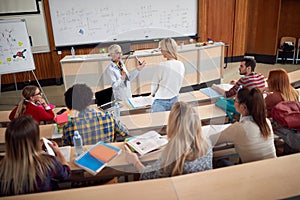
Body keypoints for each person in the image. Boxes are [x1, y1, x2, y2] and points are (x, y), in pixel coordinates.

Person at [125, 101, 212, 180]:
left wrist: (135, 162)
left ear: (172, 124)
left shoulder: (172, 154)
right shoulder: (207, 144)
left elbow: (148, 176)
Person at [0, 115, 70, 196]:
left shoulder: (2, 169)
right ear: (35, 141)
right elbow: (66, 174)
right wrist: (58, 152)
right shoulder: (48, 163)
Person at [210, 88, 276, 163]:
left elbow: (213, 140)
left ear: (243, 107)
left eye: (235, 100)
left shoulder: (239, 128)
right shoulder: (266, 122)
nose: (234, 102)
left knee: (221, 162)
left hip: (252, 172)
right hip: (273, 166)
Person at [62, 84, 129, 145]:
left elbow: (66, 146)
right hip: (108, 156)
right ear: (90, 98)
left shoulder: (68, 126)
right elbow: (125, 132)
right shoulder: (109, 117)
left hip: (83, 157)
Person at [150, 38, 185, 112]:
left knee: (157, 122)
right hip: (175, 99)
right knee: (172, 122)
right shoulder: (181, 64)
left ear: (166, 50)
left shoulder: (161, 65)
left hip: (160, 101)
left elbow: (154, 84)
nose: (161, 51)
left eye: (161, 49)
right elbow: (179, 83)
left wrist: (152, 94)